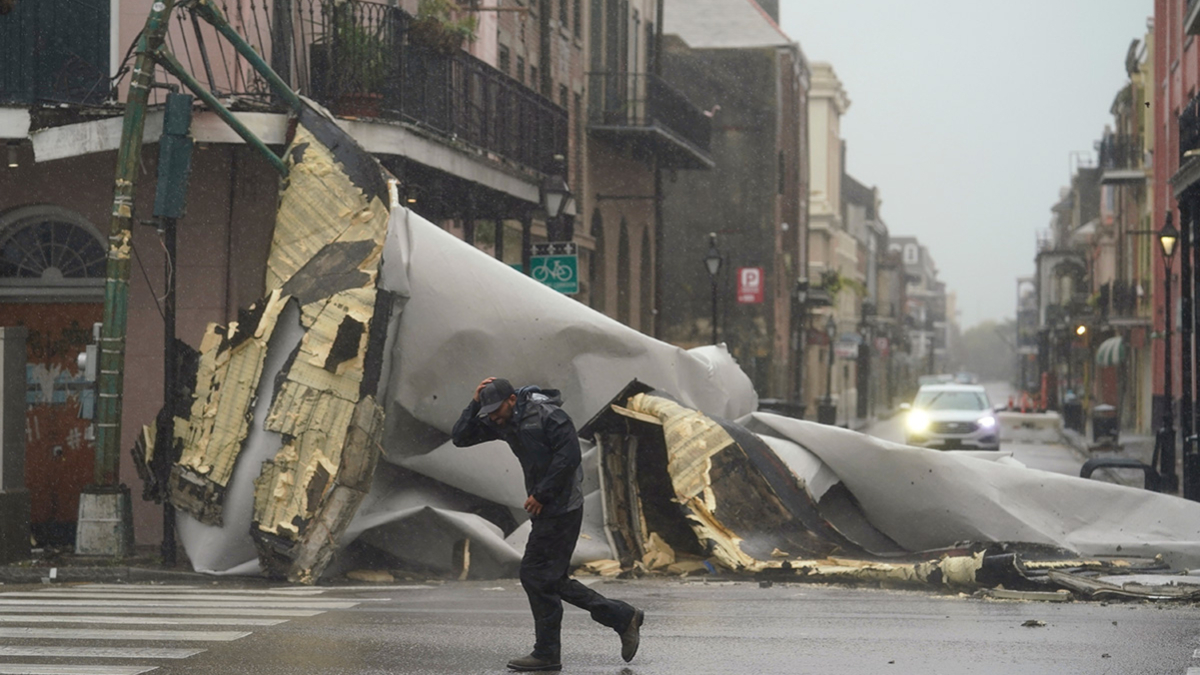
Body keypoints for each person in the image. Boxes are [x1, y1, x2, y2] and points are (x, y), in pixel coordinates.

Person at [452, 377, 644, 672]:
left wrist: (542, 494)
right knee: (546, 578)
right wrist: (475, 403)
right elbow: (461, 437)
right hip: (546, 507)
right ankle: (610, 621)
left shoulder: (549, 415)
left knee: (537, 575)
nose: (493, 417)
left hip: (563, 505)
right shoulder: (502, 420)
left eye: (496, 409)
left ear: (512, 399)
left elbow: (569, 457)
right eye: (488, 411)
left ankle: (558, 647)